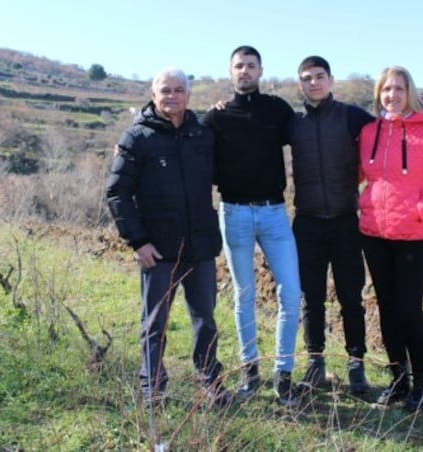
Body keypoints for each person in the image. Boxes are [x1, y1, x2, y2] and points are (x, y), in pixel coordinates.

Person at [106, 67, 231, 408]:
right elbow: (117, 193)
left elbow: (227, 171)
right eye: (165, 90)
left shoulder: (202, 135)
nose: (172, 96)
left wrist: (224, 111)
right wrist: (138, 241)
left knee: (205, 320)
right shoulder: (136, 138)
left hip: (200, 247)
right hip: (157, 250)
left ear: (188, 95)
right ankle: (152, 388)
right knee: (154, 322)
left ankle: (210, 382)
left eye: (178, 90)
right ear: (153, 94)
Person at [357, 65, 423, 411]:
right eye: (386, 90)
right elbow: (357, 173)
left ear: (410, 92)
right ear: (379, 95)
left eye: (399, 89)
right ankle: (398, 381)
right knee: (387, 311)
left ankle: (422, 383)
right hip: (375, 234)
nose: (392, 95)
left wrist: (422, 209)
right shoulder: (369, 132)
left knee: (408, 311)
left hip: (415, 236)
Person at [201, 45, 302, 407]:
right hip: (234, 213)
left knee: (291, 293)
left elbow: (312, 136)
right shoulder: (215, 117)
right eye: (239, 66)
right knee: (243, 295)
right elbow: (180, 140)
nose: (245, 71)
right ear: (230, 73)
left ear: (261, 71)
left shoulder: (277, 109)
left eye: (251, 66)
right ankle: (250, 370)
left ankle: (284, 375)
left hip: (275, 213)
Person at [288, 56, 375, 396]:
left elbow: (392, 127)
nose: (314, 83)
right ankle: (315, 362)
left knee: (351, 297)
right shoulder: (293, 123)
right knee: (311, 298)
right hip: (307, 222)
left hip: (344, 221)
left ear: (331, 80)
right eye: (307, 78)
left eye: (319, 76)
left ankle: (356, 364)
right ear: (300, 84)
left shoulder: (352, 116)